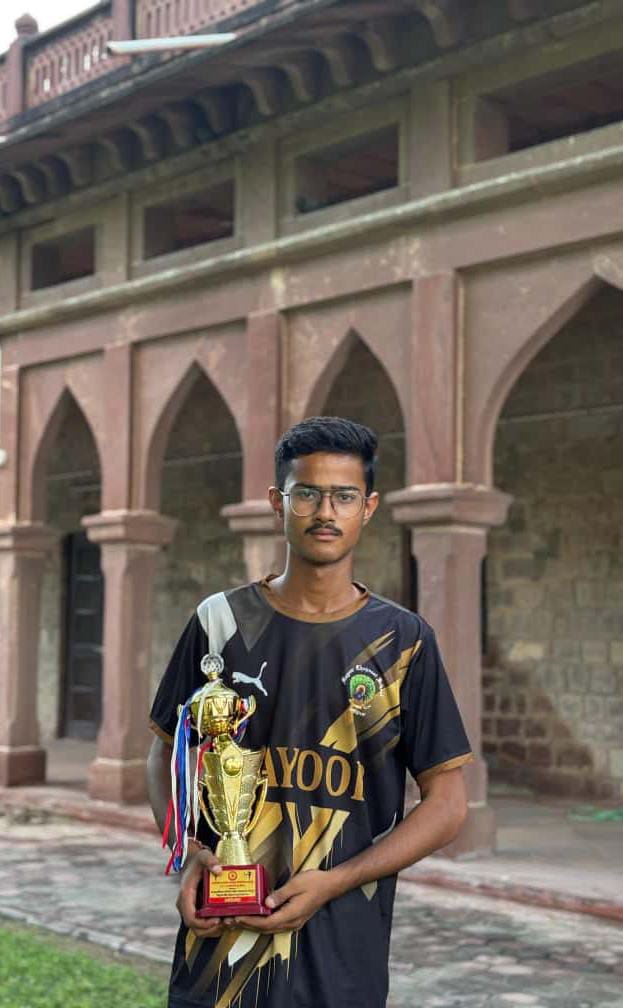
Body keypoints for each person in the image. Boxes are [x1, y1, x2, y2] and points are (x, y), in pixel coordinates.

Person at [147, 416, 473, 1008]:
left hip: (341, 958)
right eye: (308, 495)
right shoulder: (219, 623)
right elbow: (165, 755)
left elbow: (447, 804)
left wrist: (337, 881)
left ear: (368, 508)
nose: (326, 512)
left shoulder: (404, 641)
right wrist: (190, 852)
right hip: (219, 958)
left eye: (344, 496)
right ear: (279, 502)